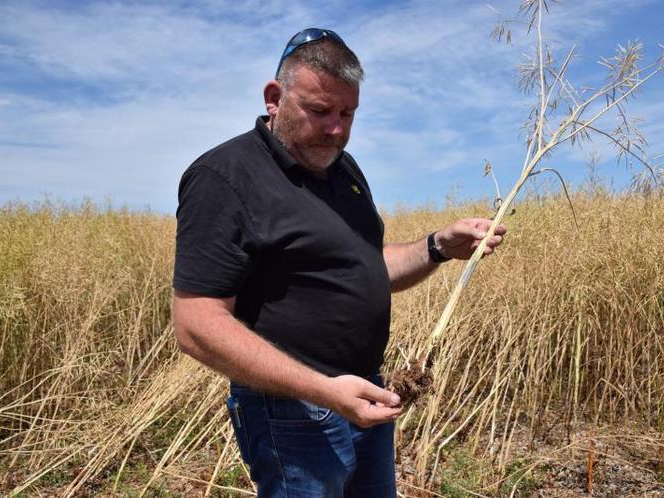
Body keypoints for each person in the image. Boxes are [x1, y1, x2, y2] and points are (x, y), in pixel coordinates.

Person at [172, 28, 506, 498]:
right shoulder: (224, 177)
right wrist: (325, 391)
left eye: (348, 113)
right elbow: (196, 323)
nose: (337, 129)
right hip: (293, 412)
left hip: (366, 395)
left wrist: (437, 246)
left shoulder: (342, 170)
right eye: (320, 111)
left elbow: (367, 268)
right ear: (275, 98)